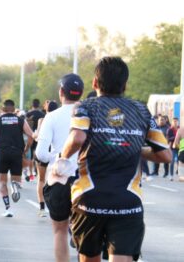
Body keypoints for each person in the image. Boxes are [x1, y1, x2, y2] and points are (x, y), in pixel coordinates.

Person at [60, 57, 171, 262]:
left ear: (94, 83)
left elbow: (77, 137)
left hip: (89, 199)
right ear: (125, 85)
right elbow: (165, 155)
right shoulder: (141, 111)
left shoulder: (85, 107)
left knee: (88, 257)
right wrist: (137, 149)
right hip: (127, 201)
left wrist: (62, 158)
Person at [35, 73, 84, 262]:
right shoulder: (90, 114)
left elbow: (40, 153)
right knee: (85, 233)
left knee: (60, 231)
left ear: (61, 92)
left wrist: (55, 157)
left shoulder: (52, 116)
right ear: (80, 93)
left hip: (60, 178)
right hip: (86, 179)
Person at [0, 99, 33, 217]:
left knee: (2, 182)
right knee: (15, 179)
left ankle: (8, 208)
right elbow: (31, 135)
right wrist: (26, 147)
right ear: (14, 108)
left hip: (3, 153)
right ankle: (15, 185)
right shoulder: (21, 120)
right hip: (17, 153)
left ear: (3, 108)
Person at [32, 100, 58, 218]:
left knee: (41, 180)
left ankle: (42, 208)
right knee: (54, 180)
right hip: (54, 153)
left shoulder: (42, 120)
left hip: (42, 151)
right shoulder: (60, 119)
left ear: (46, 109)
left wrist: (34, 135)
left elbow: (37, 135)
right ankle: (53, 205)